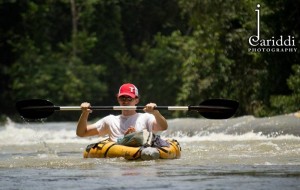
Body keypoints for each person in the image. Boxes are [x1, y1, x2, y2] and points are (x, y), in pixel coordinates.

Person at [76, 83, 168, 143]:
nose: (125, 101)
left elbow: (163, 127)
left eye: (129, 98)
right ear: (118, 99)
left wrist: (156, 112)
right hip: (118, 156)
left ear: (136, 100)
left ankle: (133, 137)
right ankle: (128, 139)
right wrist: (84, 113)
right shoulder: (110, 120)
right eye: (122, 98)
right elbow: (81, 133)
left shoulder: (146, 117)